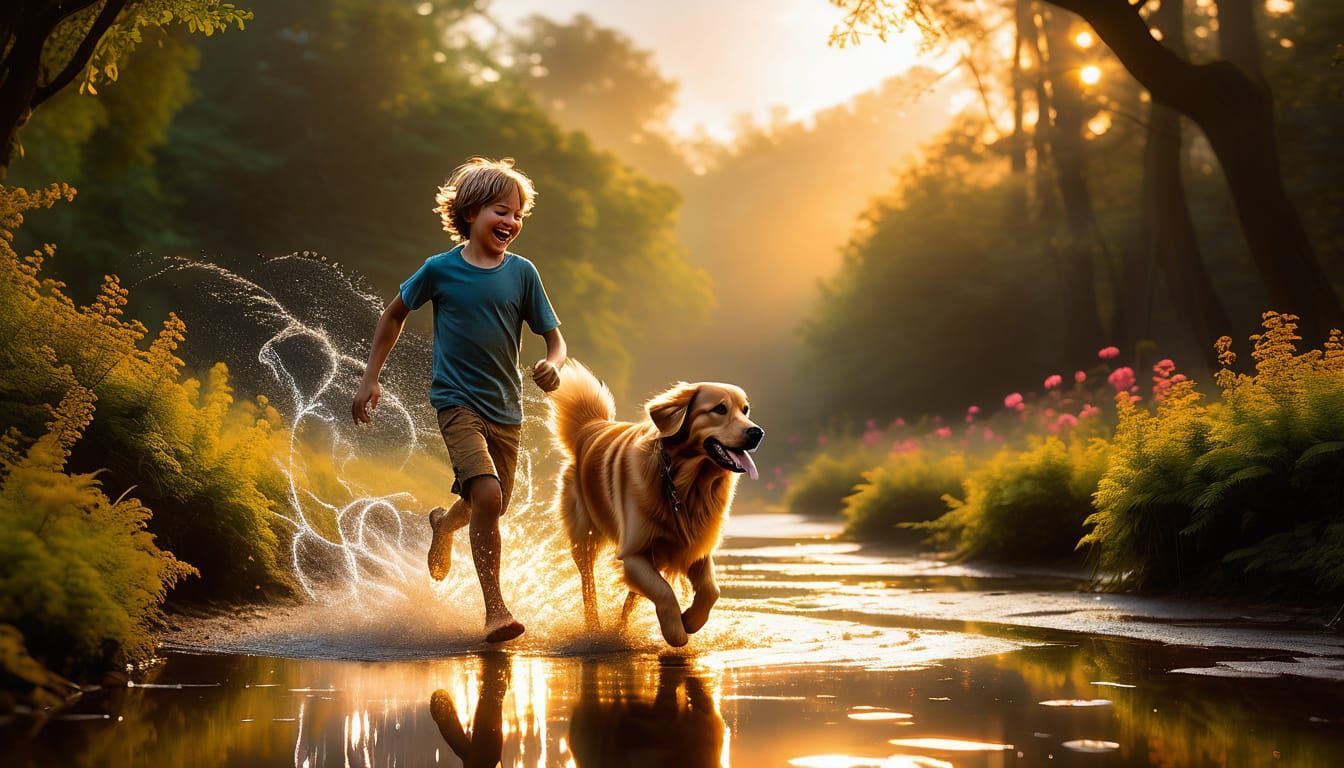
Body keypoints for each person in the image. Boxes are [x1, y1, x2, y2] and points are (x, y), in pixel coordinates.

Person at [352, 156, 565, 643]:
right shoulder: (439, 270)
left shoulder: (523, 274)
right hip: (455, 402)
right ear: (470, 213)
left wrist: (554, 363)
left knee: (488, 504)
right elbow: (394, 314)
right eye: (500, 211)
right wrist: (370, 379)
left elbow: (554, 338)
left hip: (506, 409)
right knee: (487, 495)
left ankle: (443, 526)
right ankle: (496, 611)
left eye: (517, 214)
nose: (510, 221)